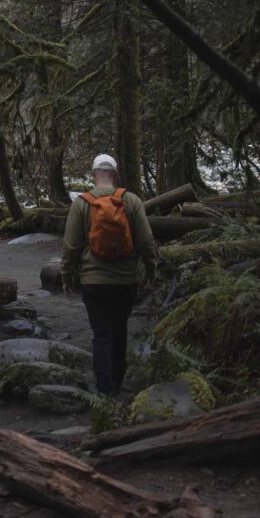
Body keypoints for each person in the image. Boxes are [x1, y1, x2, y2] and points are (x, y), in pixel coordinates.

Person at [60, 154, 156, 396]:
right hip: (125, 281)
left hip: (93, 282)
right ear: (114, 174)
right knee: (120, 330)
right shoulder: (131, 201)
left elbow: (71, 245)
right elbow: (146, 241)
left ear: (94, 175)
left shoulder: (82, 203)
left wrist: (67, 276)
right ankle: (118, 381)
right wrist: (151, 269)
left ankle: (104, 392)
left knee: (101, 333)